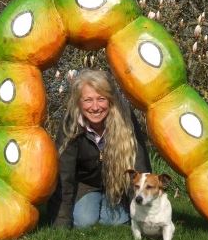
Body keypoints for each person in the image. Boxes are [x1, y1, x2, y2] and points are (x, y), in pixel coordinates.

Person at [49, 69, 151, 228]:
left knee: (113, 221)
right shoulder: (70, 123)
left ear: (110, 100)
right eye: (88, 100)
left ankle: (116, 206)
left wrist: (145, 217)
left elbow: (139, 166)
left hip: (118, 185)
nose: (95, 107)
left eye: (101, 99)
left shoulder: (126, 119)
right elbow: (64, 174)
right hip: (86, 185)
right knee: (84, 221)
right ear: (78, 102)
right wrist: (61, 222)